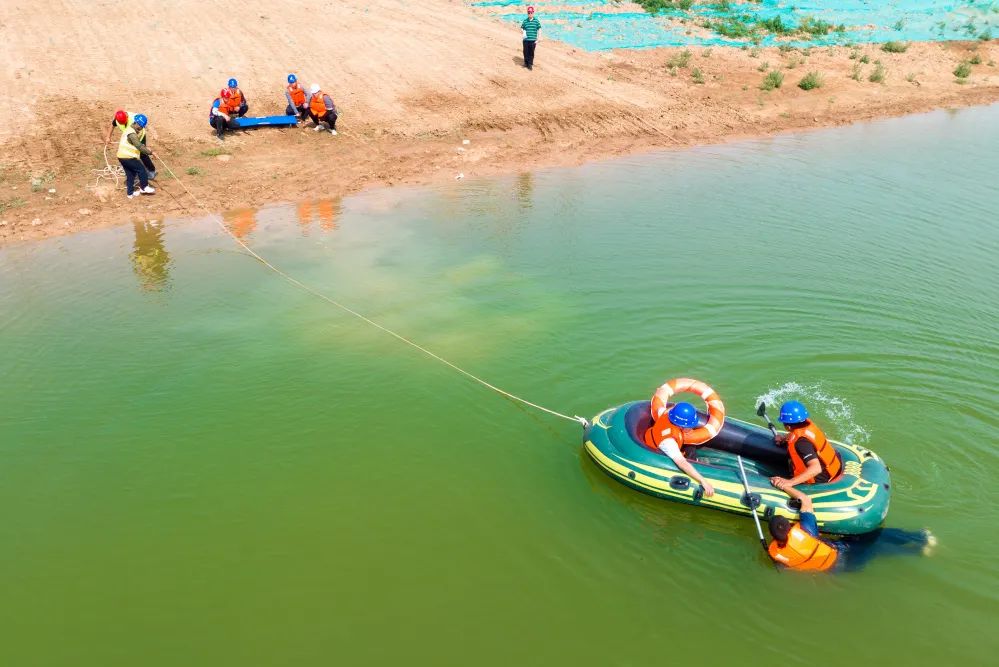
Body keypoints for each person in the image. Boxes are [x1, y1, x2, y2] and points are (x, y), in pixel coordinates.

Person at [768, 484, 934, 572]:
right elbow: (805, 500)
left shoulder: (777, 555)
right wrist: (784, 485)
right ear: (789, 526)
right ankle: (919, 538)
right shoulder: (806, 531)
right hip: (843, 554)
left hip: (841, 569)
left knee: (874, 551)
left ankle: (916, 550)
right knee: (876, 537)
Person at [644, 402, 715, 497]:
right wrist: (703, 481)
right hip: (659, 452)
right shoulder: (668, 441)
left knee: (691, 445)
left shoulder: (670, 413)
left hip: (657, 436)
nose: (692, 427)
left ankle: (696, 461)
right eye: (690, 426)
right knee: (688, 456)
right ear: (681, 425)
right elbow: (681, 462)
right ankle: (696, 465)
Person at [769, 400, 843, 490]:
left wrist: (790, 482)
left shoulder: (801, 443)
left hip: (821, 481)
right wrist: (784, 439)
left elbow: (816, 468)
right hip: (835, 468)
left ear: (788, 427)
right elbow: (798, 433)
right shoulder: (808, 426)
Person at [105, 109, 156, 179]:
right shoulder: (118, 118)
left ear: (127, 117)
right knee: (125, 149)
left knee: (142, 153)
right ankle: (128, 165)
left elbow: (140, 129)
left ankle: (151, 170)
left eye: (124, 122)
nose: (123, 124)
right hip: (128, 135)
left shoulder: (133, 119)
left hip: (139, 135)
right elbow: (112, 125)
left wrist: (139, 145)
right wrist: (108, 137)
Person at [117, 114, 156, 199]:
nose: (140, 128)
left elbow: (137, 144)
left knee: (130, 174)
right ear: (135, 122)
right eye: (139, 126)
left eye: (142, 127)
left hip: (122, 156)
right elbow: (139, 146)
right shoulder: (132, 134)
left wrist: (145, 147)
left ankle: (130, 193)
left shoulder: (130, 130)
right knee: (141, 170)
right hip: (128, 157)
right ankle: (144, 187)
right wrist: (151, 152)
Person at [521, 6, 541, 70]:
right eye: (529, 12)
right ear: (527, 13)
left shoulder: (536, 21)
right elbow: (522, 27)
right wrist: (523, 31)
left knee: (531, 52)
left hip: (533, 40)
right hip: (525, 39)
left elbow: (539, 29)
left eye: (531, 12)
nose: (530, 14)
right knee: (525, 52)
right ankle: (526, 63)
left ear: (533, 12)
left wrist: (539, 38)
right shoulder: (525, 21)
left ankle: (530, 64)